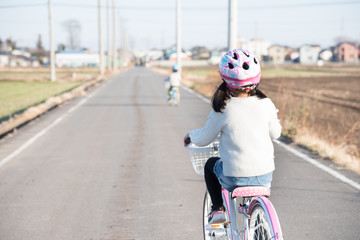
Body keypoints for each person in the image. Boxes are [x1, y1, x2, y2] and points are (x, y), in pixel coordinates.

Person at [183, 49, 282, 224]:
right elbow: (276, 133)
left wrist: (191, 136)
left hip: (234, 177)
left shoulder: (223, 108)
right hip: (265, 176)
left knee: (210, 165)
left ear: (225, 81)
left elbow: (204, 138)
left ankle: (217, 209)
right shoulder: (266, 104)